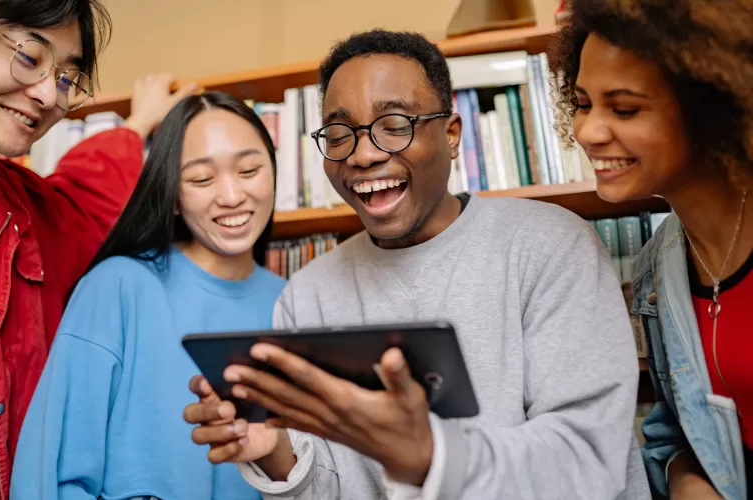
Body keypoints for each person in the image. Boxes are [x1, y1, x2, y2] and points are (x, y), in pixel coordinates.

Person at [183, 28, 650, 499]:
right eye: (341, 134)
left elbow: (586, 462)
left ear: (451, 135)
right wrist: (274, 451)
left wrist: (430, 455)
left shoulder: (550, 246)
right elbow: (330, 489)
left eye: (394, 125)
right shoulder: (307, 295)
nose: (363, 155)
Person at [0, 0, 197, 497]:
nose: (49, 94)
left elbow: (86, 206)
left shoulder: (18, 211)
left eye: (68, 78)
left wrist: (139, 124)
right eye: (28, 55)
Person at [10, 91, 286, 499]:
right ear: (173, 197)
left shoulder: (295, 302)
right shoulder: (118, 286)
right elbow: (49, 474)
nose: (231, 196)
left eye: (248, 170)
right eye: (202, 179)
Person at [551, 1, 753, 498]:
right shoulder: (658, 269)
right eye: (581, 103)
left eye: (624, 108)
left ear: (711, 108)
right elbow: (679, 432)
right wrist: (685, 477)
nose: (587, 131)